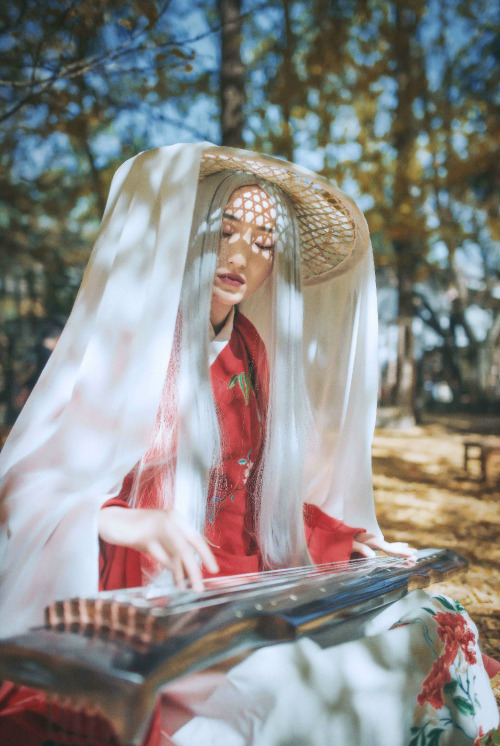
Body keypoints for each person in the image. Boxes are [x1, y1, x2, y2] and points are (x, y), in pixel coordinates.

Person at [0, 144, 498, 745]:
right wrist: (116, 521)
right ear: (190, 233)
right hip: (151, 594)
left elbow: (256, 497)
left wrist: (353, 541)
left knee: (434, 616)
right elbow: (27, 483)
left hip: (245, 587)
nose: (240, 255)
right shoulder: (133, 341)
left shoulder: (252, 354)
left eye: (264, 243)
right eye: (224, 230)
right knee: (294, 684)